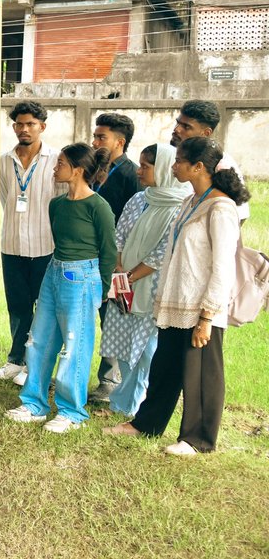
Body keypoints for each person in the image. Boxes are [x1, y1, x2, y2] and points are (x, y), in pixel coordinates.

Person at [104, 137, 248, 455]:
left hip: (200, 308)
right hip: (174, 304)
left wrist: (207, 317)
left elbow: (222, 268)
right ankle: (146, 423)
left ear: (198, 167)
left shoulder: (221, 208)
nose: (173, 165)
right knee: (164, 369)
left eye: (179, 160)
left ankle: (197, 440)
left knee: (200, 377)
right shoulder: (189, 202)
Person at [5, 143, 117, 433]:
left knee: (74, 345)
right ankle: (34, 404)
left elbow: (108, 251)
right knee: (39, 339)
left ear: (78, 170)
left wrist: (100, 290)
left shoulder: (98, 207)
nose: (55, 168)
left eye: (61, 164)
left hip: (82, 278)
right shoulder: (57, 204)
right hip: (54, 272)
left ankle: (72, 411)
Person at [98, 143, 191, 418]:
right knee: (123, 343)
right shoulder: (140, 199)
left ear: (161, 168)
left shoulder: (181, 205)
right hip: (123, 280)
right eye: (140, 164)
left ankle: (135, 404)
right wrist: (119, 271)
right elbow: (119, 236)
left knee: (147, 350)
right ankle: (120, 404)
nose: (139, 171)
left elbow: (162, 253)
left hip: (152, 288)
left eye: (146, 166)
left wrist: (128, 276)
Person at [0, 101, 64, 386]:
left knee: (45, 310)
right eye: (19, 124)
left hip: (45, 247)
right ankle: (16, 359)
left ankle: (37, 364)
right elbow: (4, 198)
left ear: (42, 127)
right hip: (12, 246)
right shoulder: (4, 160)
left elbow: (62, 203)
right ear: (14, 127)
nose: (24, 129)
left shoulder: (56, 159)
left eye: (30, 124)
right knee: (18, 307)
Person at [90, 112, 139, 403]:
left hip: (118, 263)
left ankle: (110, 381)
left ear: (120, 141)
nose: (95, 142)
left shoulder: (133, 174)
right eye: (95, 136)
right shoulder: (93, 170)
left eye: (101, 137)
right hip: (88, 258)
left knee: (114, 319)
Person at [170, 99, 250, 222]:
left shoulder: (222, 164)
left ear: (206, 133)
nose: (177, 129)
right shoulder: (168, 156)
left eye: (186, 127)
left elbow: (239, 216)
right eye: (178, 123)